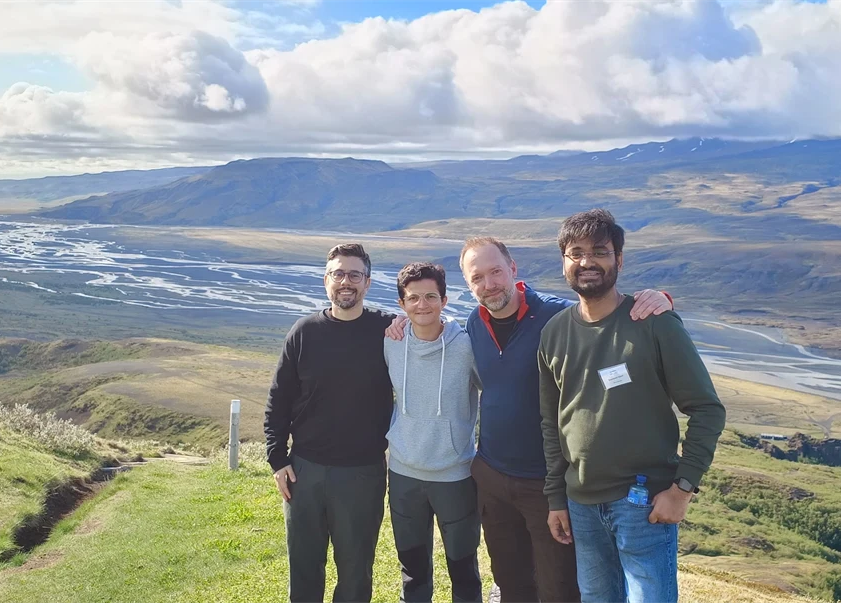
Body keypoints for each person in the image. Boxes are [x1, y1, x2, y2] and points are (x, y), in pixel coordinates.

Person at [457, 237, 672, 603]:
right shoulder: (474, 323)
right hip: (492, 476)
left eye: (496, 272)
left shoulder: (557, 316)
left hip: (547, 482)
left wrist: (660, 299)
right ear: (468, 284)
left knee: (559, 588)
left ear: (513, 269)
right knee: (510, 581)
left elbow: (607, 315)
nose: (489, 284)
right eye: (477, 277)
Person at [538, 209, 726, 603]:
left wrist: (683, 488)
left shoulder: (654, 322)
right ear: (564, 262)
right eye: (576, 253)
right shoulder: (554, 333)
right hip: (581, 506)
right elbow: (552, 424)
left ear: (619, 260)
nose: (587, 262)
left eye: (600, 252)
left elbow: (707, 409)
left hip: (643, 506)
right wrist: (557, 498)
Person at [263, 243, 394, 603]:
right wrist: (278, 459)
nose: (346, 281)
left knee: (355, 571)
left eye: (354, 274)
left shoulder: (388, 332)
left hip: (362, 473)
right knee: (304, 567)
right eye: (338, 273)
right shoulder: (303, 332)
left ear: (367, 282)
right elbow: (278, 400)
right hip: (304, 471)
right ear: (326, 281)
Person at [384, 262, 483, 603]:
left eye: (430, 297)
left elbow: (496, 391)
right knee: (412, 572)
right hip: (403, 473)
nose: (422, 305)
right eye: (413, 298)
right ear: (401, 304)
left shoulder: (467, 346)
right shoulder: (391, 342)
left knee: (464, 570)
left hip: (455, 475)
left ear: (444, 299)